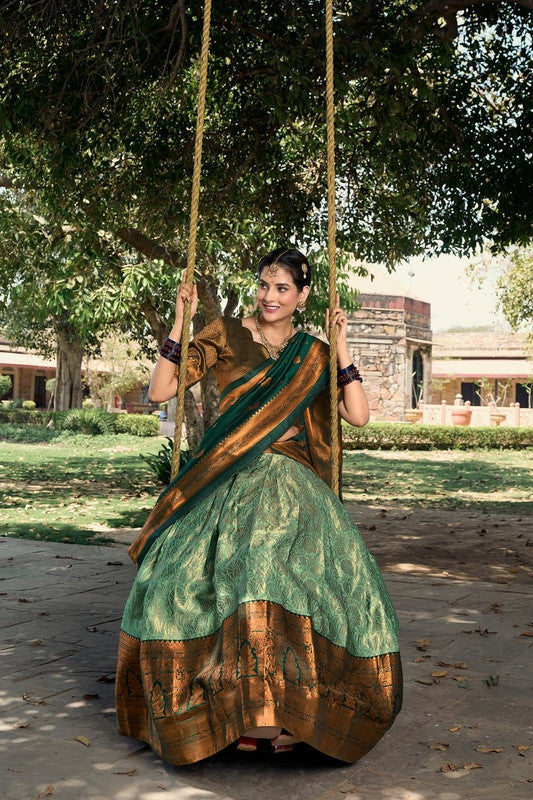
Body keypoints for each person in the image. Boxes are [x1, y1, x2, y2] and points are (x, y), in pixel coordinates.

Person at [116, 247, 402, 765]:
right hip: (228, 476)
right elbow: (161, 389)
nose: (270, 297)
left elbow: (356, 416)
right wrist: (180, 322)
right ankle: (230, 710)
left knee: (291, 581)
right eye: (264, 285)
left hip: (293, 485)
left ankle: (288, 711)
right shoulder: (225, 334)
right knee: (210, 581)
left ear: (302, 295)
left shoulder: (312, 355)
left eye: (283, 289)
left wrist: (340, 345)